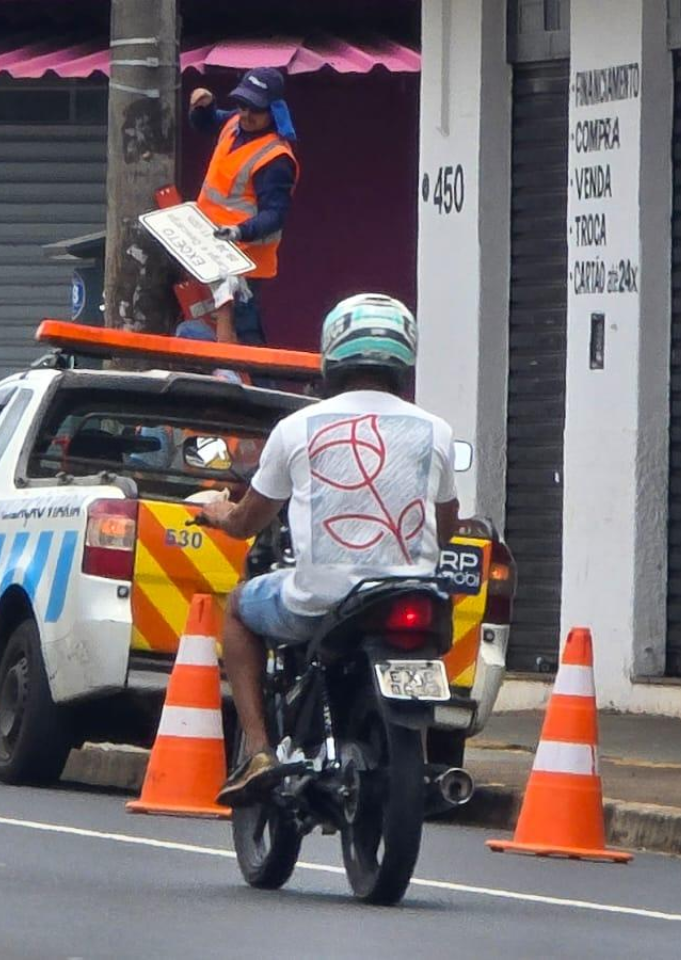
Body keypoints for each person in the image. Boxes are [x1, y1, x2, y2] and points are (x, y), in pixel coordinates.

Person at [198, 294, 461, 806]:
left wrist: (217, 514)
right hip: (412, 596)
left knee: (238, 609)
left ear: (332, 353)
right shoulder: (438, 431)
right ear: (404, 356)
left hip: (319, 602)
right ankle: (418, 765)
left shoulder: (297, 428)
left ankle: (257, 751)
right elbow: (446, 525)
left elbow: (249, 519)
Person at [184, 67, 300, 346]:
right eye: (242, 105)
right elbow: (208, 123)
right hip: (211, 251)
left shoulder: (276, 158)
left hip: (244, 263)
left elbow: (275, 215)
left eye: (255, 109)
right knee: (212, 328)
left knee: (245, 340)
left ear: (272, 110)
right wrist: (204, 107)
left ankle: (262, 388)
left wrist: (239, 231)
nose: (246, 114)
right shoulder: (234, 124)